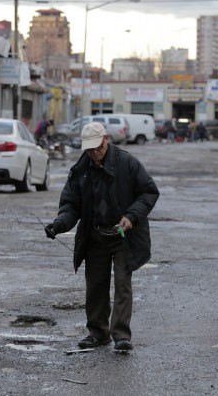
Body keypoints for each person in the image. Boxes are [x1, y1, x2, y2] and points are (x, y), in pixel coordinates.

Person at [44, 122, 159, 352]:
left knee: (122, 284)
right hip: (96, 234)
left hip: (124, 235)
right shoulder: (80, 170)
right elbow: (70, 204)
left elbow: (149, 191)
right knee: (95, 285)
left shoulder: (127, 163)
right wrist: (59, 224)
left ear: (106, 139)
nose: (94, 153)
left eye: (97, 147)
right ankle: (98, 333)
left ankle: (121, 336)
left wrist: (132, 215)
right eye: (89, 149)